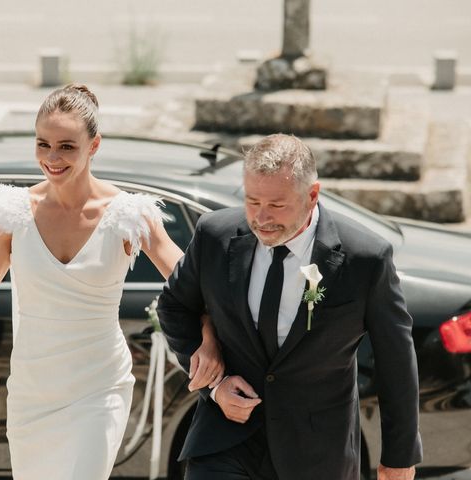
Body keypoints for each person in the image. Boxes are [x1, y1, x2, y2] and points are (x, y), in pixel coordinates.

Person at [0, 84, 223, 480]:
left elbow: (191, 286)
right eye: (43, 144)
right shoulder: (14, 214)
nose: (52, 158)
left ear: (94, 145)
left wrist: (209, 337)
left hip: (99, 387)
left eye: (67, 146)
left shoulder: (129, 215)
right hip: (32, 392)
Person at [157, 133, 423, 480]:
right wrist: (215, 383)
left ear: (312, 195)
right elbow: (175, 307)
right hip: (225, 441)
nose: (261, 218)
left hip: (316, 452)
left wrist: (399, 456)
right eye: (252, 201)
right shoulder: (215, 235)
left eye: (276, 205)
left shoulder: (365, 259)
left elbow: (396, 360)